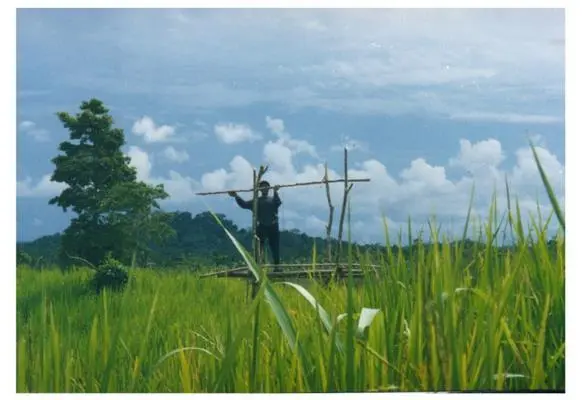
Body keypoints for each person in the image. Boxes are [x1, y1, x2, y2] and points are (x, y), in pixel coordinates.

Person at [228, 180, 282, 271]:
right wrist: (236, 196)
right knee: (258, 247)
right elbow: (244, 204)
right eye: (262, 186)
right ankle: (257, 267)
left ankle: (277, 268)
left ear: (269, 188)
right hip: (261, 226)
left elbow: (278, 203)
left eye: (266, 186)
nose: (264, 188)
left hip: (273, 226)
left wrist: (275, 192)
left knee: (275, 247)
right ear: (259, 189)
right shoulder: (256, 201)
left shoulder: (272, 200)